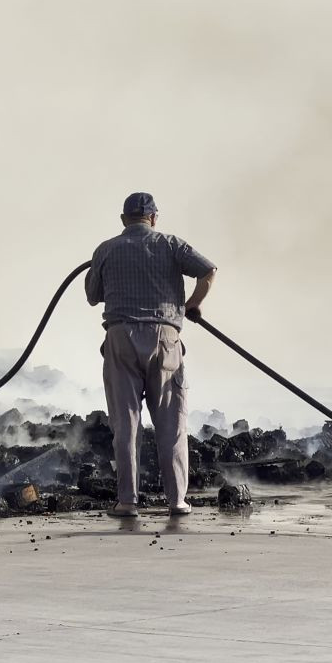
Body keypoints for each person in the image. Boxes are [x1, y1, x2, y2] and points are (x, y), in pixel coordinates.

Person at [85, 192, 218, 517]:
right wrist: (192, 305)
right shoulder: (171, 244)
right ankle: (177, 501)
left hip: (120, 338)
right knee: (171, 421)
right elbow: (209, 270)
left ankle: (127, 502)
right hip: (164, 338)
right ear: (154, 218)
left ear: (123, 220)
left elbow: (92, 296)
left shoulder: (106, 248)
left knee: (125, 424)